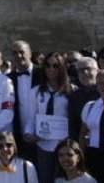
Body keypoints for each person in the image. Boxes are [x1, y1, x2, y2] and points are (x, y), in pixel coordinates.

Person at [27, 52, 74, 183]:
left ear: (62, 68)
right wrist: (28, 133)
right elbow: (31, 119)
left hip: (64, 146)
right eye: (48, 65)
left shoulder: (71, 91)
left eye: (56, 66)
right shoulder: (35, 92)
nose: (51, 69)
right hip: (43, 146)